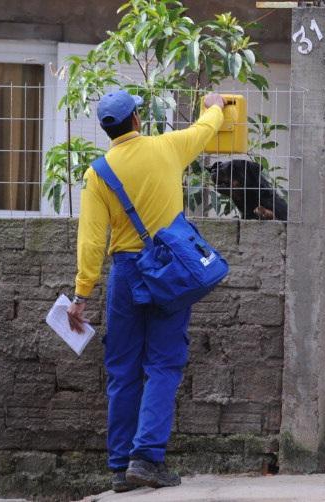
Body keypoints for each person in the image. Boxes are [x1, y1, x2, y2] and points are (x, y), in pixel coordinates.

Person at [66, 89, 224, 491]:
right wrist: (216, 106)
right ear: (136, 119)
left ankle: (120, 467)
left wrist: (82, 294)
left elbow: (90, 240)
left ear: (107, 130)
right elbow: (206, 130)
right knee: (164, 364)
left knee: (122, 369)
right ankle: (147, 458)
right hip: (170, 269)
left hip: (125, 273)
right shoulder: (167, 148)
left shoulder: (97, 173)